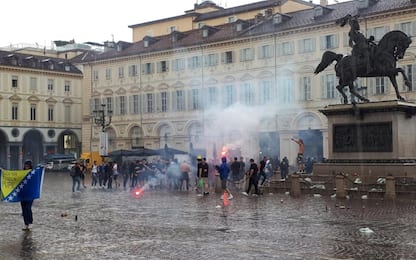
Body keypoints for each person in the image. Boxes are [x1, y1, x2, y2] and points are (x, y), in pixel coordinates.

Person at [21, 160, 34, 231]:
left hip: (30, 195)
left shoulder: (33, 173)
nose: (26, 167)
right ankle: (26, 224)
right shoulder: (22, 173)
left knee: (28, 208)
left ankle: (30, 222)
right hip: (23, 195)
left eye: (27, 166)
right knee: (24, 210)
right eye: (25, 165)